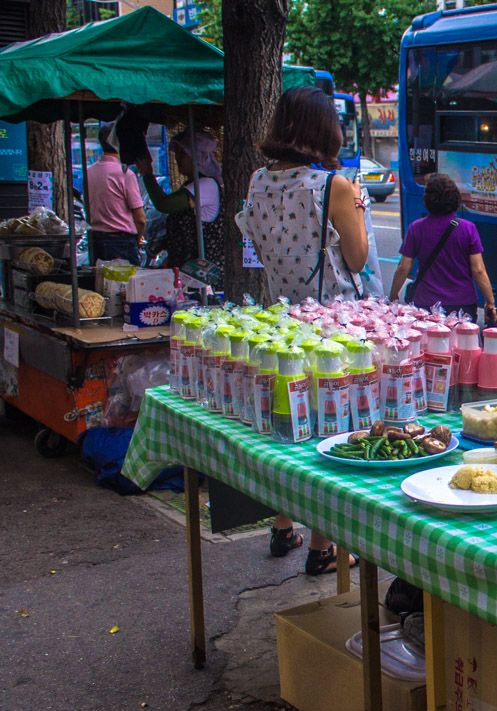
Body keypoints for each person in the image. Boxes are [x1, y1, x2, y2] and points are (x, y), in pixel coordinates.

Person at [236, 85, 369, 573]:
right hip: (334, 328)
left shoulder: (257, 181)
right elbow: (356, 259)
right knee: (331, 432)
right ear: (325, 129)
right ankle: (323, 548)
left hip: (282, 323)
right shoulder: (332, 184)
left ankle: (281, 527)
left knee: (290, 427)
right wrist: (357, 206)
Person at [388, 173, 497, 322]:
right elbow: (478, 270)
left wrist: (393, 295)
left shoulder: (416, 228)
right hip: (462, 305)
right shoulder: (468, 229)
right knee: (461, 345)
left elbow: (403, 267)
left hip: (426, 304)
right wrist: (490, 302)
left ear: (427, 200)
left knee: (428, 343)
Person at [137, 128, 226, 277]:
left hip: (202, 274)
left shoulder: (206, 185)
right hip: (187, 270)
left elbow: (164, 204)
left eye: (183, 154)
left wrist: (147, 174)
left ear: (197, 157)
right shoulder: (191, 185)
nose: (177, 158)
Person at [87, 122, 146, 265]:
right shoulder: (125, 173)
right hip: (120, 241)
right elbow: (140, 219)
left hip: (95, 239)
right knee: (126, 285)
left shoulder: (89, 171)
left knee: (101, 284)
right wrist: (139, 237)